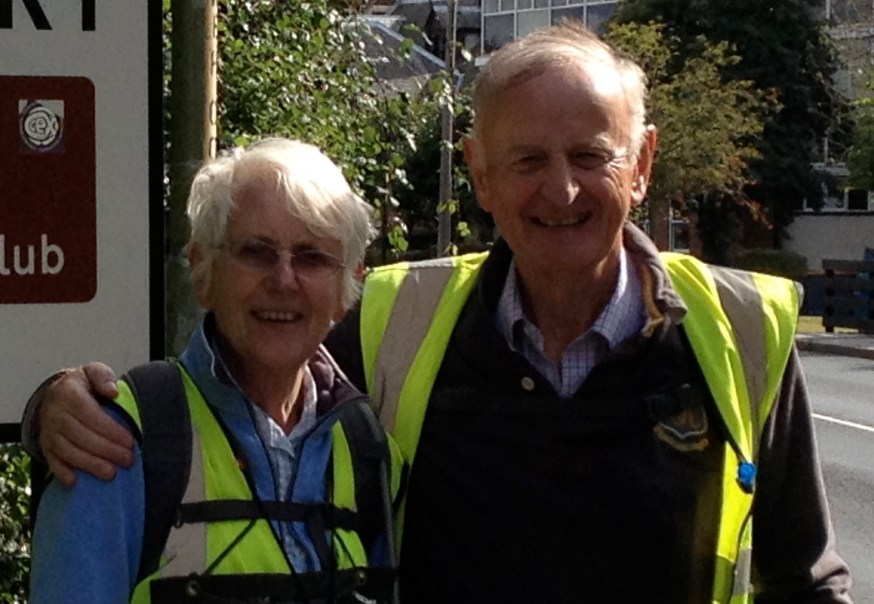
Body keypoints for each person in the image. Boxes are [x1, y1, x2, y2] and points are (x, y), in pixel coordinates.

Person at [24, 23, 852, 603]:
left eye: (589, 156)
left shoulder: (741, 330)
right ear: (479, 174)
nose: (559, 190)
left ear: (640, 166)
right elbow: (248, 370)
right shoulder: (400, 316)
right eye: (527, 160)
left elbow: (804, 579)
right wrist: (55, 403)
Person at [28, 138, 405, 604]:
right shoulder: (116, 440)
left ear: (347, 290)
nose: (284, 280)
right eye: (256, 252)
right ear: (203, 271)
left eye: (311, 257)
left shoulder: (369, 451)